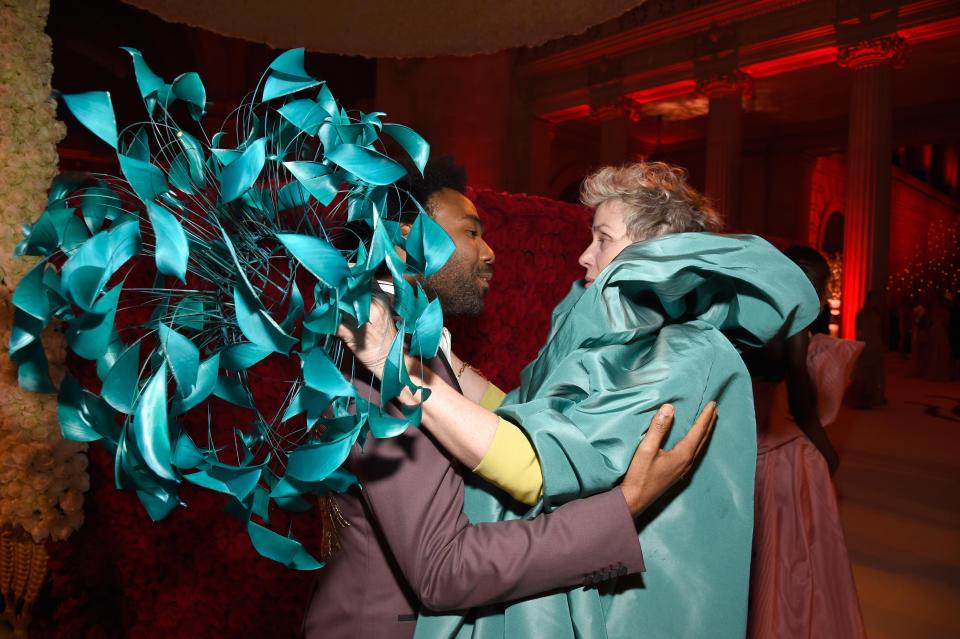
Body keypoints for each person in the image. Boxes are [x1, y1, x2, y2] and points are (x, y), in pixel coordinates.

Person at [346, 162, 820, 639]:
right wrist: (426, 362)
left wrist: (403, 368)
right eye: (473, 231)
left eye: (603, 239)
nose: (584, 257)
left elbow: (533, 463)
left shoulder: (678, 353)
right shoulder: (609, 337)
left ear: (659, 248)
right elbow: (523, 413)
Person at [744, 246, 866, 638]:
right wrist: (828, 452)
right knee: (792, 553)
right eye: (822, 283)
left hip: (745, 447)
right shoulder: (793, 320)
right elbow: (800, 401)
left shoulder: (748, 310)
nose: (825, 291)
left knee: (753, 551)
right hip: (780, 452)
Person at [848, 290, 887, 406]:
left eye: (877, 299)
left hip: (876, 343)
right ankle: (862, 396)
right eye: (874, 299)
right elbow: (857, 332)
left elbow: (880, 331)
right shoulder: (860, 314)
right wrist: (859, 346)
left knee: (876, 370)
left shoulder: (878, 314)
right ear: (868, 300)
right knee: (863, 370)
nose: (876, 301)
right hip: (865, 343)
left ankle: (876, 395)